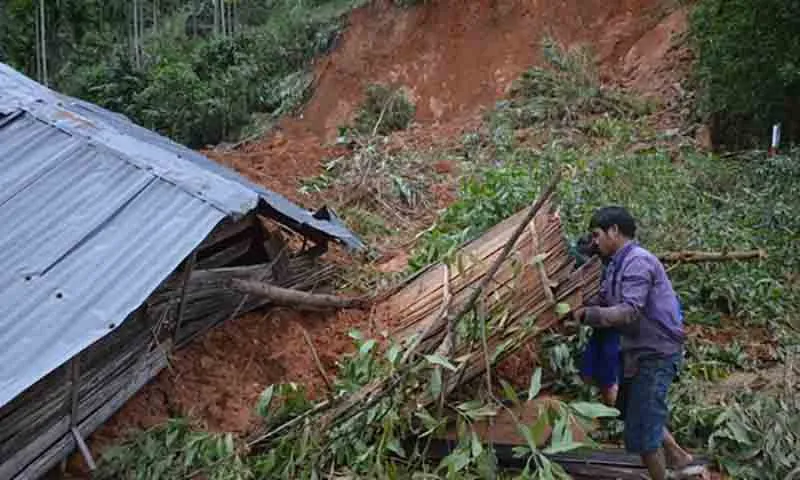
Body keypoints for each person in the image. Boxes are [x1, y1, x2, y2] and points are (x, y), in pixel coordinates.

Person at [572, 207, 699, 480]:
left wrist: (587, 315)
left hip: (656, 354)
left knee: (642, 433)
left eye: (597, 234)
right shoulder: (618, 263)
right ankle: (679, 458)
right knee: (632, 410)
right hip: (638, 353)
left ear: (614, 231)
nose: (594, 241)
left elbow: (630, 310)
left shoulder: (638, 262)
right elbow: (605, 299)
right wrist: (574, 310)